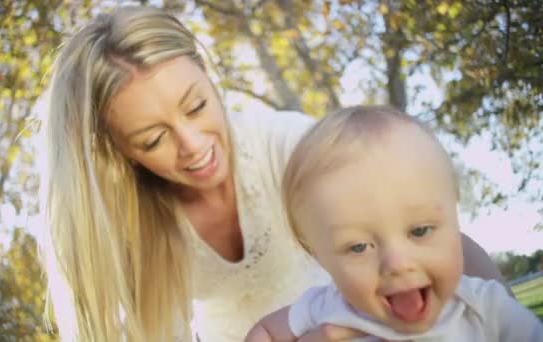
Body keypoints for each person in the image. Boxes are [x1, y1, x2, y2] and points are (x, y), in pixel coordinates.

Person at [38, 4, 509, 341]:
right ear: (121, 151)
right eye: (153, 140)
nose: (194, 146)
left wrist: (493, 310)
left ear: (206, 70)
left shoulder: (286, 145)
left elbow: (418, 234)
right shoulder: (123, 222)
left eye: (197, 106)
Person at [245, 106, 543, 342]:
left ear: (455, 218)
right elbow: (267, 332)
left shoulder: (485, 309)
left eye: (420, 230)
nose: (397, 264)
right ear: (320, 259)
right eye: (359, 247)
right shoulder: (328, 307)